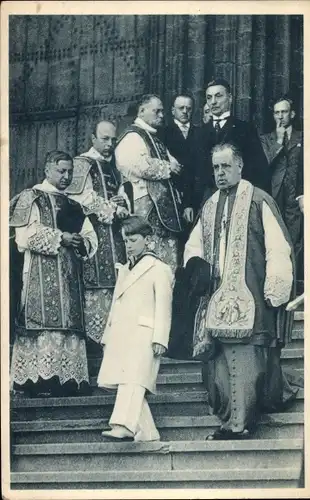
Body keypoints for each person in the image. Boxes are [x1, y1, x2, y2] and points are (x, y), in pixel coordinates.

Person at [181, 143, 296, 439]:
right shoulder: (209, 205)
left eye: (225, 166)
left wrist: (276, 286)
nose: (220, 173)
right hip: (218, 295)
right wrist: (197, 267)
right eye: (216, 167)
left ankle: (239, 424)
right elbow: (195, 245)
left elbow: (278, 248)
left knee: (248, 358)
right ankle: (229, 419)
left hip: (252, 294)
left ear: (240, 166)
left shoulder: (258, 200)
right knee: (219, 361)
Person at [10, 151, 98, 397]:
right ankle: (36, 380)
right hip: (39, 272)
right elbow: (24, 236)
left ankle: (67, 378)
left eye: (70, 171)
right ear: (48, 170)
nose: (66, 176)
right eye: (61, 171)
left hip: (70, 275)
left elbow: (91, 237)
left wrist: (82, 243)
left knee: (68, 323)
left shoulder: (74, 204)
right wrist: (62, 237)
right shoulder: (32, 198)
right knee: (42, 324)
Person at [97, 216, 174, 442]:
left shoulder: (159, 268)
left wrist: (160, 338)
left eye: (133, 239)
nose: (128, 244)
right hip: (123, 334)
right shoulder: (126, 268)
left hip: (144, 334)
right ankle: (148, 433)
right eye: (125, 240)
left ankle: (123, 425)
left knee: (133, 380)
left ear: (147, 239)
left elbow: (164, 305)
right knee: (130, 380)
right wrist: (107, 335)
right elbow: (116, 304)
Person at [67, 120, 133, 344]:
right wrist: (110, 208)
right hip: (93, 231)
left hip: (115, 234)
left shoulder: (114, 167)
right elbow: (79, 196)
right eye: (104, 139)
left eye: (113, 139)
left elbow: (124, 193)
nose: (110, 144)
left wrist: (122, 204)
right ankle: (95, 342)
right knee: (96, 286)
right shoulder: (82, 163)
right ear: (93, 139)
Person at [115, 94, 184, 271]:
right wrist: (168, 168)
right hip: (144, 204)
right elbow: (138, 164)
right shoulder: (132, 136)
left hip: (161, 207)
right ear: (142, 111)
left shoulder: (154, 138)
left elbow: (176, 164)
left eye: (162, 111)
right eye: (157, 111)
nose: (162, 115)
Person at [199, 78, 270, 201]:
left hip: (238, 196)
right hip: (207, 199)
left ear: (230, 98)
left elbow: (258, 167)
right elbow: (195, 170)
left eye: (218, 96)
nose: (213, 102)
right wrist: (189, 203)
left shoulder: (245, 129)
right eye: (209, 97)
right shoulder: (200, 132)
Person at [260, 97, 303, 293]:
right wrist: (278, 140)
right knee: (276, 239)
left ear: (292, 114)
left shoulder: (302, 137)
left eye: (284, 112)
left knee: (295, 239)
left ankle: (294, 287)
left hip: (294, 196)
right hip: (273, 194)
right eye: (276, 112)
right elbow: (265, 164)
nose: (280, 116)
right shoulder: (266, 139)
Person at [158, 93, 202, 223]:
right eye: (181, 108)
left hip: (196, 195)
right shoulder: (162, 133)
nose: (185, 112)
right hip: (172, 194)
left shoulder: (201, 133)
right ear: (172, 110)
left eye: (188, 108)